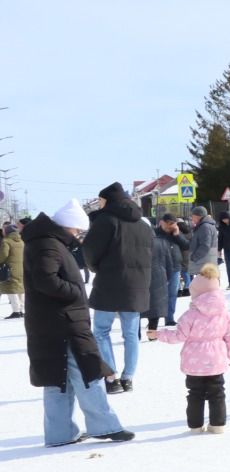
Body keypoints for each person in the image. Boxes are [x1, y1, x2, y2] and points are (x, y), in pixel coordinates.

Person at [23, 201, 133, 445]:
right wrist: (75, 292)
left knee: (58, 379)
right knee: (88, 372)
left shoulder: (46, 241)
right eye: (77, 231)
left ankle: (60, 434)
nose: (78, 236)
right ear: (68, 226)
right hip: (63, 323)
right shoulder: (48, 244)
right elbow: (46, 280)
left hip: (53, 322)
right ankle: (104, 426)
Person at [151, 262, 230, 434]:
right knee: (218, 393)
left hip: (194, 362)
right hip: (216, 360)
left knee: (195, 394)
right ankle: (218, 425)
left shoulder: (190, 315)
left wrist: (159, 334)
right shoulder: (224, 313)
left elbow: (179, 336)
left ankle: (196, 426)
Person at [83, 182, 153, 394]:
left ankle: (111, 377)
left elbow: (90, 251)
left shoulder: (105, 220)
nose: (100, 204)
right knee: (131, 333)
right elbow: (151, 254)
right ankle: (128, 377)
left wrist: (95, 268)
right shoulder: (143, 224)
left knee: (102, 331)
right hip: (136, 285)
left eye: (101, 200)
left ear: (108, 200)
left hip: (109, 283)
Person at [147, 213, 185, 333]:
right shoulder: (154, 233)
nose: (169, 227)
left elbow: (186, 245)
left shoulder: (175, 233)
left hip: (175, 267)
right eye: (168, 224)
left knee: (172, 294)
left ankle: (169, 318)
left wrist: (177, 235)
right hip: (160, 268)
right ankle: (153, 319)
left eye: (172, 224)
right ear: (162, 222)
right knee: (157, 296)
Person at [3, 221, 24, 318]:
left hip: (10, 268)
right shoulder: (21, 241)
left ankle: (16, 311)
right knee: (20, 288)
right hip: (21, 268)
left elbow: (3, 255)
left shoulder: (6, 241)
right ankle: (21, 310)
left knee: (11, 289)